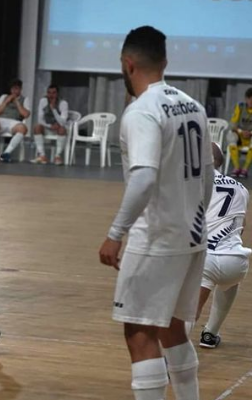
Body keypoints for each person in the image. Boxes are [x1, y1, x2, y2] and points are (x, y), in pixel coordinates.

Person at [98, 26, 213, 400]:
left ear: (127, 64)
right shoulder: (193, 106)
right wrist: (196, 221)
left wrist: (116, 233)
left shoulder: (141, 111)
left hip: (157, 240)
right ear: (165, 61)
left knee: (139, 331)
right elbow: (208, 174)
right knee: (172, 328)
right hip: (193, 237)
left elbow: (144, 176)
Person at [194, 142, 250, 349]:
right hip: (237, 260)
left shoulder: (192, 184)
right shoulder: (242, 189)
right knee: (229, 282)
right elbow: (241, 226)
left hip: (204, 259)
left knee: (188, 312)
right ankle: (210, 333)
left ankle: (170, 358)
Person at [0, 78, 30, 163]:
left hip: (15, 122)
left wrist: (17, 102)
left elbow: (26, 115)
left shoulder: (24, 99)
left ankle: (7, 153)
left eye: (17, 89)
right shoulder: (4, 97)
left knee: (23, 128)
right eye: (13, 88)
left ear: (20, 89)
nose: (14, 91)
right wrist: (6, 102)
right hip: (1, 120)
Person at [30, 84, 69, 165]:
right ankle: (42, 155)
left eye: (53, 93)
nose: (51, 95)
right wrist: (50, 126)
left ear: (57, 94)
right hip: (47, 127)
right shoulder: (43, 101)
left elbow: (62, 122)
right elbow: (40, 120)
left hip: (58, 128)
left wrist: (53, 109)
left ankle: (57, 156)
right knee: (37, 127)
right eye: (49, 93)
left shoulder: (63, 103)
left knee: (62, 129)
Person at [227, 87, 252, 178]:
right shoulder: (240, 107)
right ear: (246, 99)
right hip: (240, 136)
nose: (251, 102)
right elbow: (232, 124)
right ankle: (237, 167)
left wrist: (250, 133)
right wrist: (241, 132)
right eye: (250, 99)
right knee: (230, 135)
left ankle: (245, 169)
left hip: (250, 137)